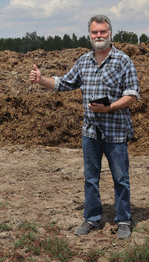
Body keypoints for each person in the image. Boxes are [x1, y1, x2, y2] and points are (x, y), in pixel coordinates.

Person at [29, 15, 140, 239]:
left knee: (120, 178)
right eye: (94, 32)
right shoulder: (83, 61)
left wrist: (109, 108)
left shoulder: (123, 60)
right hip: (90, 132)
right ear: (89, 35)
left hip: (115, 131)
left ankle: (123, 220)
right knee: (91, 178)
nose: (99, 36)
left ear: (110, 33)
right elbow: (63, 83)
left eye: (103, 32)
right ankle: (91, 218)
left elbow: (132, 95)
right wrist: (42, 80)